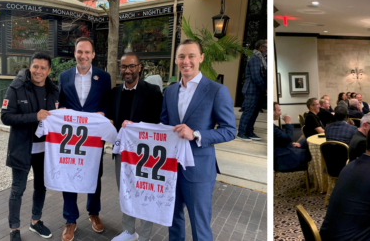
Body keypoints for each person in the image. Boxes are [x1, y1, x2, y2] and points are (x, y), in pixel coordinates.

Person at [158, 39, 238, 241]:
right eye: (182, 56)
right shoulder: (169, 91)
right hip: (170, 168)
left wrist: (196, 134)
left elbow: (229, 130)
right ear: (176, 60)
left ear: (201, 58)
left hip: (199, 169)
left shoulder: (216, 90)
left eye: (191, 56)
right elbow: (164, 126)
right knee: (172, 220)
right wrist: (134, 128)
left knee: (200, 226)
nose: (186, 61)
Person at [57, 37, 112, 240]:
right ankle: (70, 219)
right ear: (75, 54)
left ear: (93, 55)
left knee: (94, 176)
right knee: (68, 175)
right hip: (70, 138)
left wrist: (103, 113)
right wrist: (59, 110)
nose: (83, 56)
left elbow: (107, 103)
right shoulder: (64, 76)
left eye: (87, 52)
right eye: (80, 52)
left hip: (93, 138)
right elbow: (60, 101)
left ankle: (94, 213)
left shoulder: (103, 77)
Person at [106, 52, 165, 241]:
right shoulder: (114, 92)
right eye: (124, 67)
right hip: (122, 153)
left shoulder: (153, 91)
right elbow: (111, 120)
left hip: (145, 154)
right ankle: (129, 231)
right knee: (126, 192)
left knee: (146, 192)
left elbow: (158, 124)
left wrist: (135, 127)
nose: (127, 70)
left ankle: (146, 235)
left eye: (132, 66)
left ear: (139, 67)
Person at [1, 53, 58, 241]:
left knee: (41, 187)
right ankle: (14, 229)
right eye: (35, 67)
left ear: (49, 71)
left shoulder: (54, 90)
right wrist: (35, 116)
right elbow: (6, 117)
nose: (38, 71)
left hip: (45, 151)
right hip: (22, 148)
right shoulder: (16, 87)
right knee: (18, 190)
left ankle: (35, 222)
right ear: (30, 67)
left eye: (43, 68)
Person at [237, 39, 268, 141]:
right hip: (251, 89)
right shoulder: (255, 58)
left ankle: (249, 131)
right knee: (248, 112)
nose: (267, 49)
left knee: (255, 112)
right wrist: (265, 88)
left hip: (258, 90)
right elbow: (256, 76)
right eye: (266, 47)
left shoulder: (262, 58)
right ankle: (241, 132)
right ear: (260, 48)